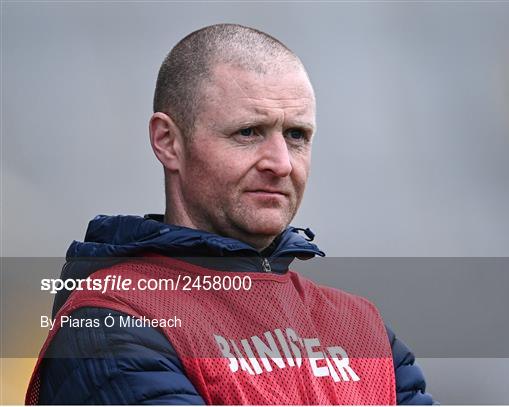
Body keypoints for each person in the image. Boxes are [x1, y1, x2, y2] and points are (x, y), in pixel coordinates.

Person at [26, 24, 435, 405]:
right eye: (248, 132)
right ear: (168, 142)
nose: (281, 163)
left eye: (296, 135)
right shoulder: (110, 324)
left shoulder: (364, 331)